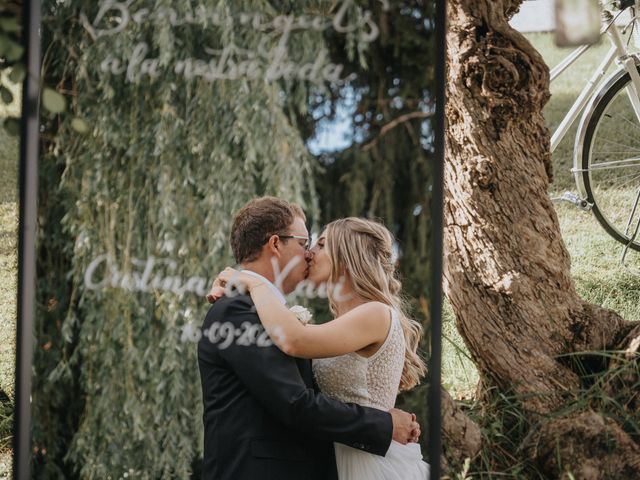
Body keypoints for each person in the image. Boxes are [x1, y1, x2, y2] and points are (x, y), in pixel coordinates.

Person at [198, 197, 420, 480]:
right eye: (306, 243)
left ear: (347, 255)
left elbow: (296, 348)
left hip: (362, 462)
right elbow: (296, 402)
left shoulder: (370, 314)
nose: (310, 254)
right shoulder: (238, 309)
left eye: (319, 244)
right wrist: (384, 424)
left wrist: (251, 283)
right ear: (276, 244)